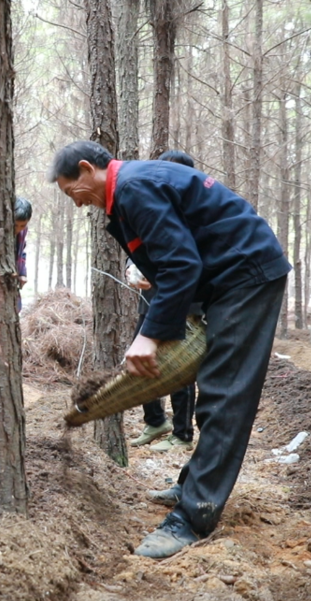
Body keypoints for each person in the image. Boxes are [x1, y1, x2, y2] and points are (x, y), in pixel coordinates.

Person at [49, 140, 290, 559]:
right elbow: (173, 260)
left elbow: (181, 264)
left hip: (246, 276)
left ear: (88, 170)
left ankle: (193, 516)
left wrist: (148, 336)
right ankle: (193, 481)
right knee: (215, 390)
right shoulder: (130, 192)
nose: (75, 204)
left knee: (225, 393)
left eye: (73, 192)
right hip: (224, 279)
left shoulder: (134, 187)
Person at [129, 149, 199, 453]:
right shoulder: (151, 205)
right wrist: (133, 269)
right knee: (138, 358)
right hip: (151, 298)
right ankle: (155, 420)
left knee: (179, 367)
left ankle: (183, 434)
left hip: (183, 300)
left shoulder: (196, 210)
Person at [14, 197, 33, 312]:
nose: (18, 229)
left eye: (22, 226)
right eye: (16, 225)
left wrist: (22, 273)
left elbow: (21, 253)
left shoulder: (22, 232)